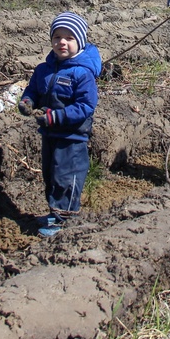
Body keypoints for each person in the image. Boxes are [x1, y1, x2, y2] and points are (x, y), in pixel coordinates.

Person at [18, 12, 101, 237]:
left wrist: (57, 117)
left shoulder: (82, 74)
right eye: (57, 37)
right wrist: (28, 102)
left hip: (72, 137)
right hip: (50, 134)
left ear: (80, 42)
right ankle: (55, 213)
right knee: (51, 174)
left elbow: (85, 106)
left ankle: (65, 218)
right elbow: (33, 90)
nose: (62, 42)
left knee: (67, 176)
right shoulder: (43, 69)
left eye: (69, 38)